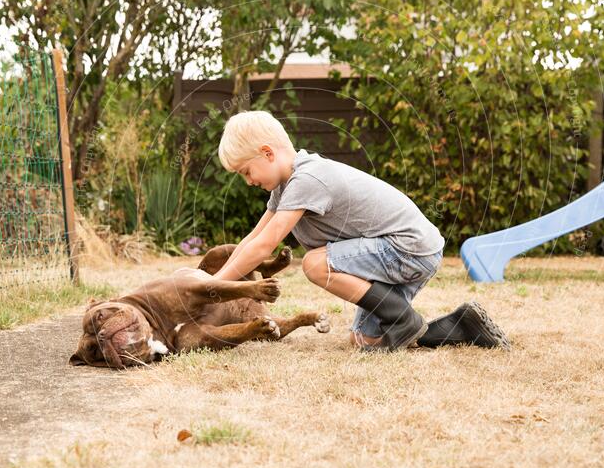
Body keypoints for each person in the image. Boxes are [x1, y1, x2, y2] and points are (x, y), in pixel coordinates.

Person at [212, 110, 509, 351]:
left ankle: (402, 316)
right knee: (363, 340)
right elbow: (252, 239)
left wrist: (211, 290)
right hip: (401, 251)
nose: (247, 181)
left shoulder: (308, 178)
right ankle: (461, 324)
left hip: (407, 247)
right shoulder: (284, 188)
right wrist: (210, 281)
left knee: (315, 264)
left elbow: (264, 246)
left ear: (267, 153)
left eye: (245, 172)